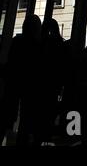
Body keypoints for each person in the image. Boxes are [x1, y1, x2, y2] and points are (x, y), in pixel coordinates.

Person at [0, 15, 43, 146]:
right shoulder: (38, 45)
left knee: (8, 115)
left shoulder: (17, 42)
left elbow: (11, 63)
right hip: (30, 87)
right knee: (26, 117)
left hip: (14, 84)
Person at [37, 18, 66, 145]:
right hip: (54, 85)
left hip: (41, 85)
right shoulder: (60, 44)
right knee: (49, 115)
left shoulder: (41, 44)